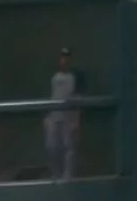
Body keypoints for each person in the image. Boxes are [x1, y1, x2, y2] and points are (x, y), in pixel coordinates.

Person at [44, 48, 85, 182]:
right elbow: (52, 97)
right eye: (62, 57)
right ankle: (55, 174)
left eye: (66, 58)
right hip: (54, 117)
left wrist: (76, 119)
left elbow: (78, 99)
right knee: (51, 146)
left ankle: (68, 176)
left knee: (68, 147)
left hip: (68, 117)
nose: (64, 60)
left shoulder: (74, 78)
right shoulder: (55, 78)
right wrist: (48, 116)